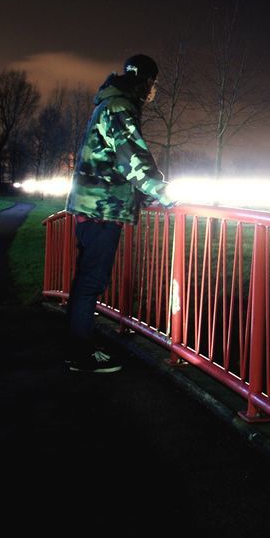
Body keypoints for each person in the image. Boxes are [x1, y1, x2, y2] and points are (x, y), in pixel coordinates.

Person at [64, 54, 174, 373]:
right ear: (146, 81)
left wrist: (143, 192)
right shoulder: (120, 107)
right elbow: (132, 159)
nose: (153, 91)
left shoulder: (111, 102)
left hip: (92, 206)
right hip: (102, 209)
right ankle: (81, 355)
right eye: (153, 83)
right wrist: (165, 194)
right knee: (90, 282)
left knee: (85, 280)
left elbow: (121, 160)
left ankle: (77, 349)